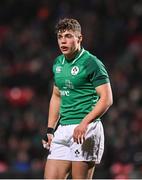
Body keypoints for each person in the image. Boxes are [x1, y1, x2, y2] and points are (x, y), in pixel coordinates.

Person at [42, 18, 113, 179]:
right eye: (60, 37)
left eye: (68, 36)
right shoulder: (58, 63)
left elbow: (106, 99)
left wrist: (84, 123)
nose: (63, 41)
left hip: (86, 129)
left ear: (79, 38)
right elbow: (56, 96)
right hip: (63, 129)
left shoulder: (91, 62)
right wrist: (50, 129)